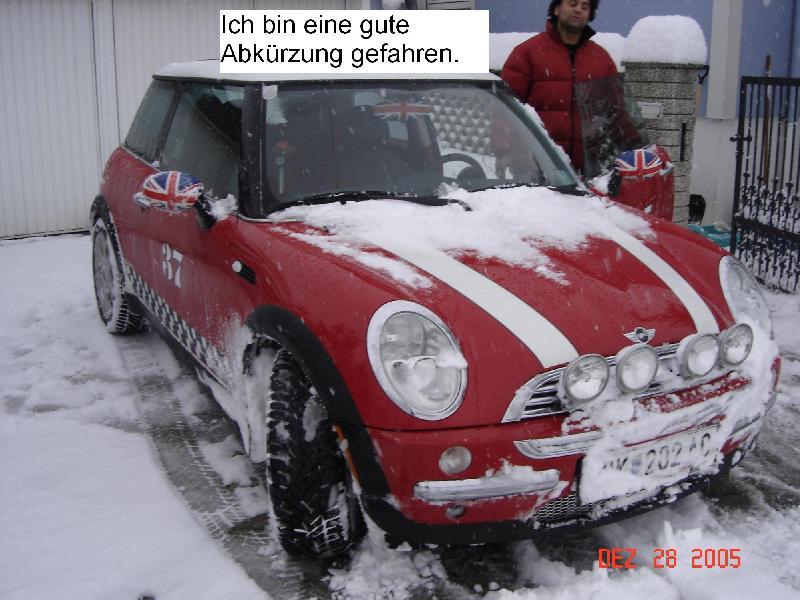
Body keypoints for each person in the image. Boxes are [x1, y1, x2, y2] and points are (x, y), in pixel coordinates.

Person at [500, 0, 618, 175]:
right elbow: (505, 107)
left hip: (586, 171)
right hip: (537, 166)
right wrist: (503, 151)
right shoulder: (528, 53)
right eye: (572, 4)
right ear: (556, 9)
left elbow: (616, 113)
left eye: (584, 6)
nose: (578, 9)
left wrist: (631, 151)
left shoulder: (600, 58)